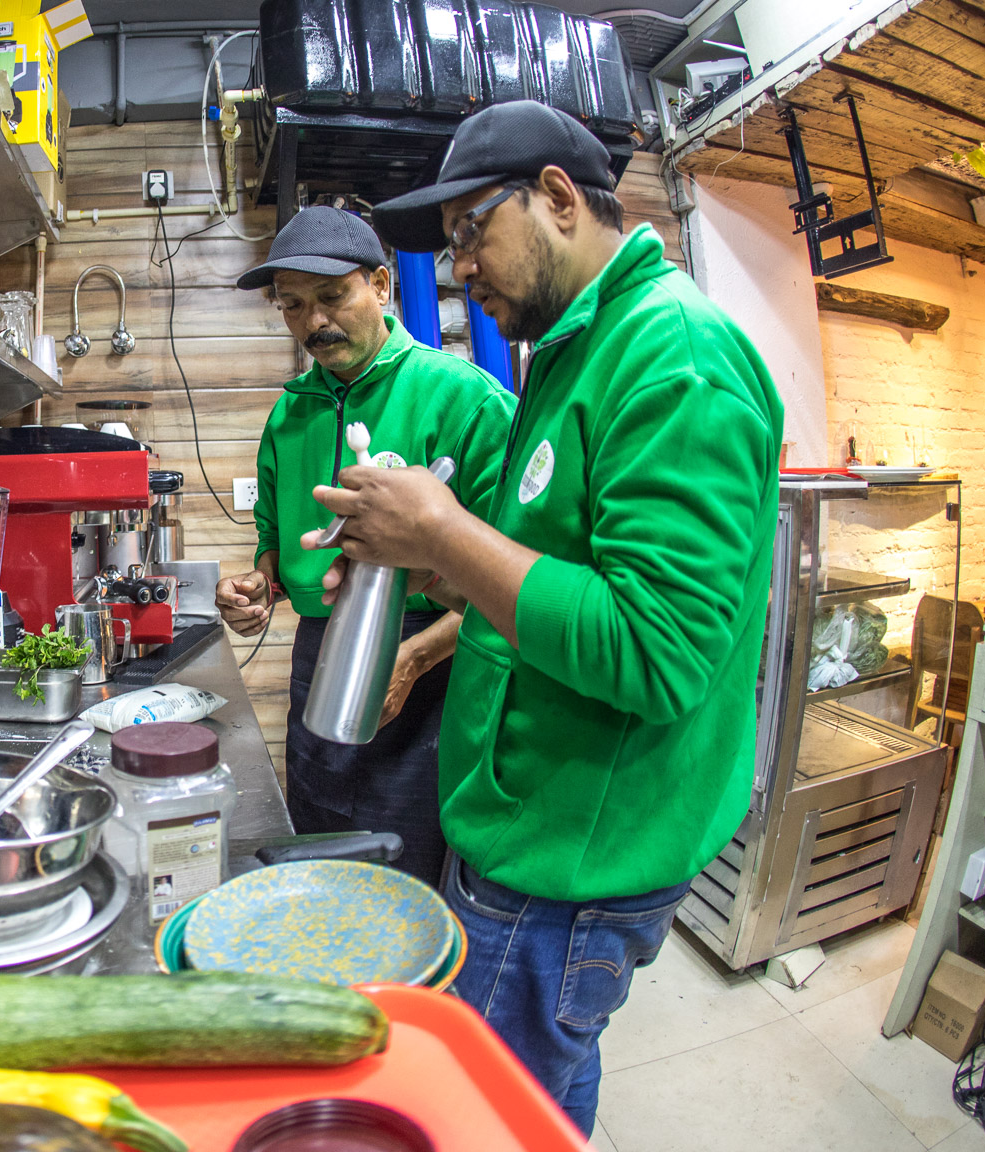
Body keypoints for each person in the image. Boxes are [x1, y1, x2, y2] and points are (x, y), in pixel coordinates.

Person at [308, 102, 783, 1132]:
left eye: (471, 230)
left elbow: (657, 650)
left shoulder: (672, 357)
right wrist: (423, 564)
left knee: (474, 1118)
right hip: (523, 823)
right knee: (542, 1098)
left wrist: (445, 534)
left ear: (558, 196)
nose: (460, 269)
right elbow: (549, 584)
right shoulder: (574, 350)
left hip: (569, 860)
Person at [214, 204, 515, 885]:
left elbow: (513, 575)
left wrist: (413, 658)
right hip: (319, 654)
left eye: (331, 296)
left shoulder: (463, 399)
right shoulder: (290, 414)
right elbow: (275, 540)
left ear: (380, 285)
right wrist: (261, 584)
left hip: (434, 659)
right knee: (320, 848)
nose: (314, 323)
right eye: (292, 305)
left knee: (409, 871)